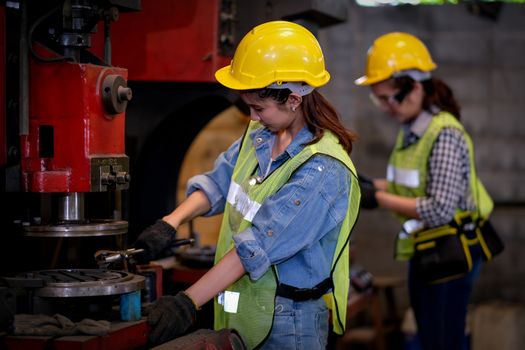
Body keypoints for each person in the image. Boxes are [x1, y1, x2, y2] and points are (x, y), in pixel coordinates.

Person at [135, 20, 361, 349]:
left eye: (259, 107)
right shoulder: (259, 136)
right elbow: (218, 182)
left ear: (294, 100)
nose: (253, 117)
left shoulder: (322, 170)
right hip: (241, 308)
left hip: (287, 323)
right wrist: (170, 223)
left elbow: (257, 246)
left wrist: (186, 302)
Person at [354, 32, 494, 350]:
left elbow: (440, 207)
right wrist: (367, 183)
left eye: (391, 98)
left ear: (415, 87)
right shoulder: (412, 130)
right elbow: (413, 184)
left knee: (443, 339)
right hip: (431, 247)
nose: (386, 107)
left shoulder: (442, 133)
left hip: (452, 249)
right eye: (379, 99)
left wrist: (376, 198)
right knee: (431, 335)